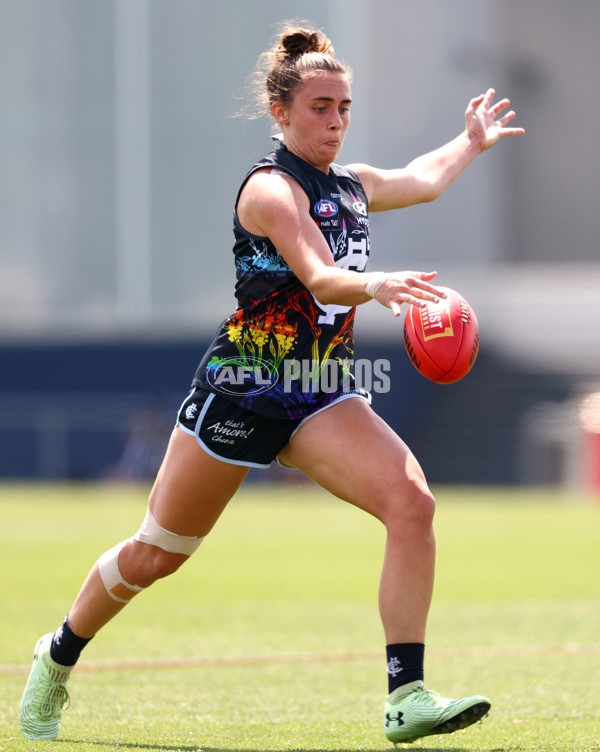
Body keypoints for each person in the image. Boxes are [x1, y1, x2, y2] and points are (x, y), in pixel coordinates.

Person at [19, 22, 524, 745]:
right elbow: (319, 274)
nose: (336, 121)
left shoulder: (351, 187)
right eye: (321, 107)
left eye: (344, 107)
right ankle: (58, 653)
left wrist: (470, 141)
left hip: (319, 391)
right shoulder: (269, 191)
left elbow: (423, 179)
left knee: (412, 503)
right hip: (245, 388)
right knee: (158, 553)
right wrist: (377, 284)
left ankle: (405, 695)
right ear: (282, 112)